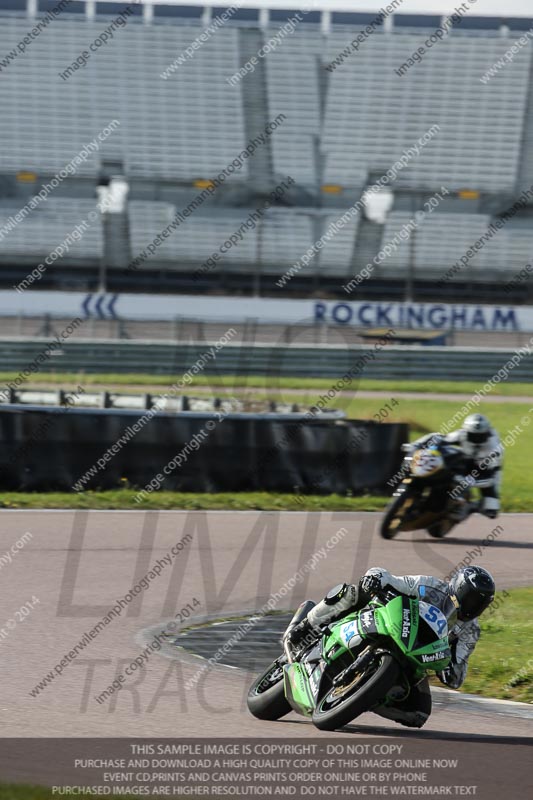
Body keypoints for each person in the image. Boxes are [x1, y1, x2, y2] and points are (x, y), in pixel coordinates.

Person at [285, 565, 495, 728]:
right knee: (352, 592)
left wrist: (449, 668)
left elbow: (458, 674)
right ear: (458, 588)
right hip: (391, 623)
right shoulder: (430, 587)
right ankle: (306, 625)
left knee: (418, 714)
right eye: (472, 598)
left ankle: (365, 696)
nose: (474, 607)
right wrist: (374, 579)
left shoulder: (470, 631)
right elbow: (391, 579)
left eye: (481, 604)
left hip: (414, 657)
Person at [407, 413, 503, 520]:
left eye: (480, 435)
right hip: (466, 458)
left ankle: (469, 506)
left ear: (487, 433)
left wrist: (466, 481)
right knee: (447, 456)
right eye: (472, 434)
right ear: (465, 431)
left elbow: (489, 479)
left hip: (486, 469)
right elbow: (439, 438)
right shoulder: (462, 434)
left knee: (491, 510)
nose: (476, 438)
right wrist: (416, 445)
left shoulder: (494, 449)